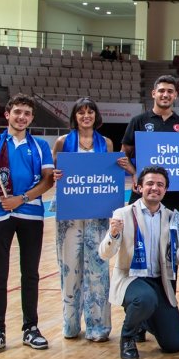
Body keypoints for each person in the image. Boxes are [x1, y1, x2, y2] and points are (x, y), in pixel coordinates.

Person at [0, 94, 56, 356]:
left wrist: (23, 198)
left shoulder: (39, 145)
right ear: (7, 114)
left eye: (27, 113)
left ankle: (31, 327)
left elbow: (48, 181)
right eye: (17, 112)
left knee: (30, 274)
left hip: (30, 214)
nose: (22, 117)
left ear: (31, 118)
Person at [51, 98, 133, 343]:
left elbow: (113, 171)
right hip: (70, 211)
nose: (85, 116)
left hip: (98, 211)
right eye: (81, 112)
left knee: (98, 267)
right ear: (74, 116)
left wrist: (125, 166)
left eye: (90, 112)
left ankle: (98, 326)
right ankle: (71, 323)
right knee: (69, 267)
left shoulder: (106, 143)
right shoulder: (63, 142)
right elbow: (52, 170)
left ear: (96, 116)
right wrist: (54, 173)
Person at [99, 166, 179, 359]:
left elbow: (175, 259)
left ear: (166, 190)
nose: (155, 188)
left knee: (174, 344)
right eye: (150, 183)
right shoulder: (124, 213)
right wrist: (113, 234)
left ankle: (146, 319)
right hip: (131, 279)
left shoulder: (171, 217)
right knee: (145, 298)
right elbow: (104, 253)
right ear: (139, 187)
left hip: (159, 282)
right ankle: (127, 337)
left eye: (160, 185)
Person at [121, 75, 179, 211]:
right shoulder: (138, 121)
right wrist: (135, 173)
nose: (165, 95)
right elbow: (123, 155)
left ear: (175, 95)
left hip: (171, 190)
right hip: (143, 188)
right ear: (154, 93)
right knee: (137, 229)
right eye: (161, 91)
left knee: (169, 230)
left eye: (170, 91)